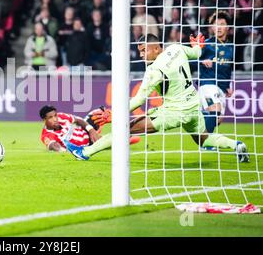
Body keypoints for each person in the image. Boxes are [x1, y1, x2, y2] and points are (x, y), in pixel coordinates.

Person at [64, 34, 249, 163]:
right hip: (193, 106)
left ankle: (85, 152)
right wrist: (197, 46)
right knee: (204, 139)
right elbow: (197, 53)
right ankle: (237, 145)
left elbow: (138, 100)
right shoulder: (177, 48)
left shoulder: (154, 70)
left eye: (144, 50)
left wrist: (117, 113)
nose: (142, 55)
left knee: (127, 128)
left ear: (155, 47)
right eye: (140, 52)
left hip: (174, 112)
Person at [39, 105, 140, 152]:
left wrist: (91, 130)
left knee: (100, 113)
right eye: (51, 117)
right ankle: (123, 139)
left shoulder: (61, 117)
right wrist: (63, 151)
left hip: (85, 132)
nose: (55, 119)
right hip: (85, 146)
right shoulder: (46, 135)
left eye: (55, 115)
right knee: (106, 143)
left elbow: (78, 120)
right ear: (44, 120)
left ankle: (126, 125)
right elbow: (53, 145)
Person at [198, 11, 234, 134]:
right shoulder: (206, 44)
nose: (218, 27)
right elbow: (190, 60)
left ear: (228, 27)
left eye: (222, 24)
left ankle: (198, 116)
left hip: (221, 88)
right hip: (207, 85)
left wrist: (228, 86)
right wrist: (202, 61)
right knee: (215, 110)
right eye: (216, 24)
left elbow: (229, 67)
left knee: (217, 119)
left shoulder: (231, 46)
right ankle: (206, 144)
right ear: (212, 27)